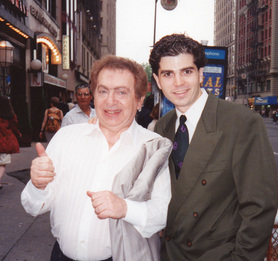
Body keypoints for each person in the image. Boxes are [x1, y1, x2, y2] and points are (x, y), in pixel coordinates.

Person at [21, 55, 172, 261]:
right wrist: (38, 185)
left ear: (138, 100)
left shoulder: (154, 147)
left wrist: (124, 208)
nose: (110, 101)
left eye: (121, 92)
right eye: (103, 91)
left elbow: (163, 212)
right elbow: (32, 206)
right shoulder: (67, 137)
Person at [149, 33, 278, 260]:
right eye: (168, 74)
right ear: (158, 81)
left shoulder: (241, 122)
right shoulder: (162, 127)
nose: (178, 83)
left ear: (200, 74)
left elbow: (260, 207)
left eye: (186, 71)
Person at [0, 96, 21, 190]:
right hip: (5, 141)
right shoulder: (10, 115)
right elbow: (14, 126)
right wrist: (18, 134)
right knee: (2, 163)